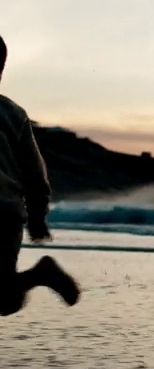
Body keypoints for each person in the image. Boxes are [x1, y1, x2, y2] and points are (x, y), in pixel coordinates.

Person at [0, 34, 80, 315]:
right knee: (4, 296)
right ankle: (39, 274)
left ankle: (39, 274)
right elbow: (34, 170)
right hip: (6, 213)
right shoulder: (12, 112)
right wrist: (37, 215)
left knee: (4, 297)